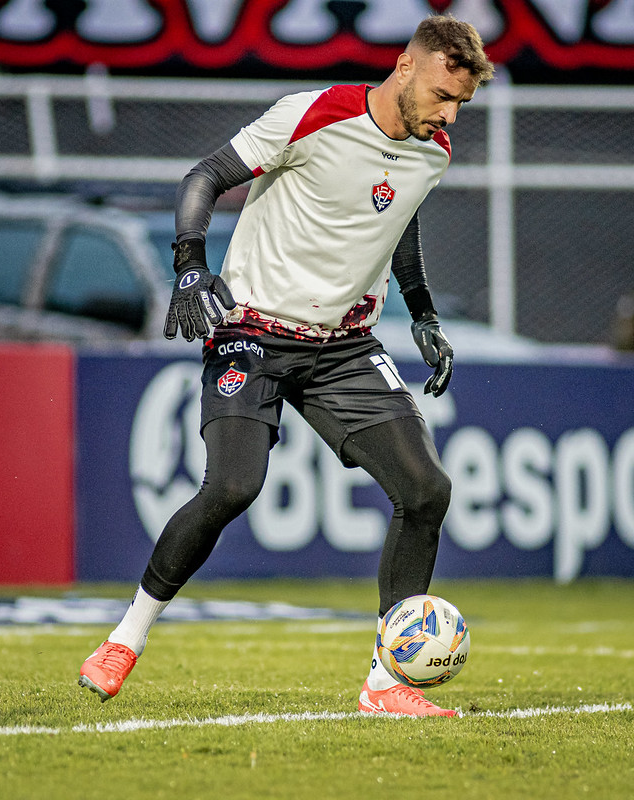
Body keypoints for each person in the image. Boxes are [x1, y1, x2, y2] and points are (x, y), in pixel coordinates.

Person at [79, 14, 494, 717]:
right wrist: (188, 267)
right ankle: (126, 636)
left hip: (344, 347)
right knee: (233, 487)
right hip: (252, 330)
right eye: (441, 95)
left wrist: (421, 313)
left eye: (460, 104)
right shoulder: (312, 114)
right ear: (403, 66)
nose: (448, 114)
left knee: (426, 489)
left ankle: (387, 683)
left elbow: (397, 221)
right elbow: (205, 175)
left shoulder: (434, 150)